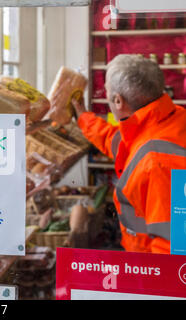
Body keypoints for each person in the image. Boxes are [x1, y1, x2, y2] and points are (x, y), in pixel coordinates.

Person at [72, 54, 186, 254]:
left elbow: (172, 246)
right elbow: (114, 142)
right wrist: (83, 117)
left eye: (106, 92)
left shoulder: (158, 161)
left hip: (152, 271)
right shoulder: (169, 119)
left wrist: (146, 281)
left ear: (118, 101)